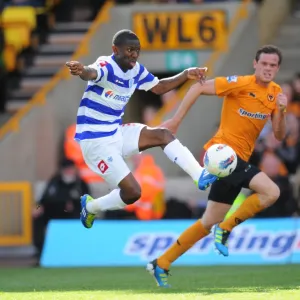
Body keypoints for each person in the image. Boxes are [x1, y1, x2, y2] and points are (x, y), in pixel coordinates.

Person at [146, 45, 288, 287]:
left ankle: (162, 262)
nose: (267, 68)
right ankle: (226, 228)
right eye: (263, 64)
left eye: (272, 65)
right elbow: (198, 87)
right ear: (255, 64)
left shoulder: (276, 94)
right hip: (224, 156)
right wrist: (176, 120)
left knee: (207, 222)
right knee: (271, 192)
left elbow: (279, 135)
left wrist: (282, 111)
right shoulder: (240, 83)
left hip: (237, 162)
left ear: (277, 68)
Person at [65, 29, 217, 229]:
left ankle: (199, 175)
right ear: (115, 49)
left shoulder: (135, 70)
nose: (134, 55)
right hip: (95, 143)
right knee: (133, 193)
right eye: (129, 50)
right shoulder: (106, 65)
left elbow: (159, 87)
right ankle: (92, 207)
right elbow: (92, 73)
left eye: (137, 50)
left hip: (115, 132)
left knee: (163, 134)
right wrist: (82, 70)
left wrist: (186, 74)